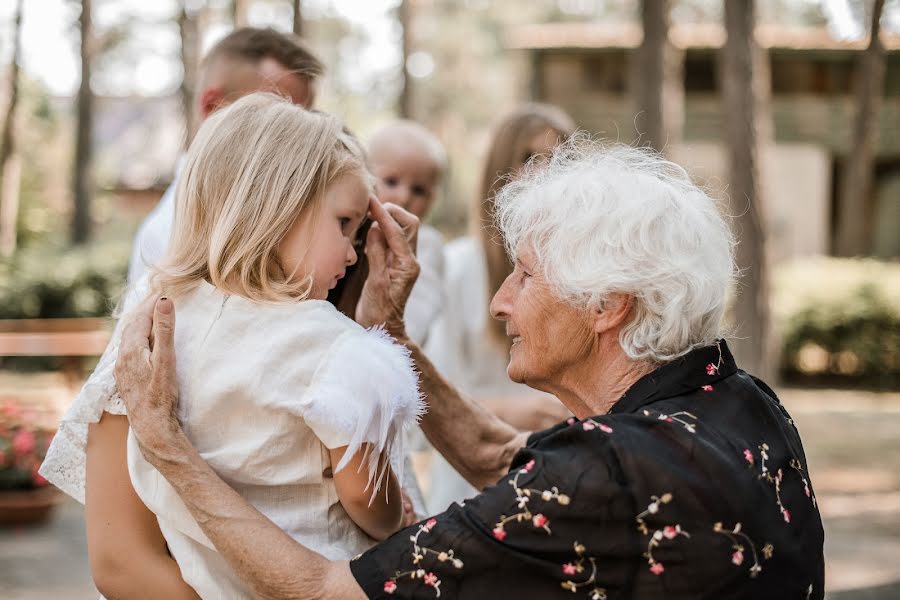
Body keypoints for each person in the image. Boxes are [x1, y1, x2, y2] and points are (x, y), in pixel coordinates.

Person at [114, 139, 826, 598]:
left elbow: (324, 592)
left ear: (607, 304)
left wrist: (170, 451)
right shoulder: (737, 399)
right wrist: (390, 332)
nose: (499, 301)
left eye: (524, 275)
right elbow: (502, 458)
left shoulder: (599, 474)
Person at [41, 94, 425, 599]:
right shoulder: (335, 350)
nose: (354, 254)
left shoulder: (162, 325)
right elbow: (369, 504)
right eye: (345, 225)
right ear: (278, 209)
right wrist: (399, 516)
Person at [424, 104, 576, 513]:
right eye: (529, 158)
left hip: (558, 476)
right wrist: (514, 410)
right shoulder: (456, 269)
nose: (546, 172)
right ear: (501, 169)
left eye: (560, 159)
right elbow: (425, 400)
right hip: (470, 483)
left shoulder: (581, 276)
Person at [127, 27, 324, 284]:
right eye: (273, 117)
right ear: (212, 106)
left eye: (302, 120)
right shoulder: (171, 235)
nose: (294, 138)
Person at [367, 120, 447, 347]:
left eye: (419, 190)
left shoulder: (428, 244)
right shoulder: (347, 232)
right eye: (391, 181)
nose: (403, 197)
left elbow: (418, 319)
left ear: (432, 200)